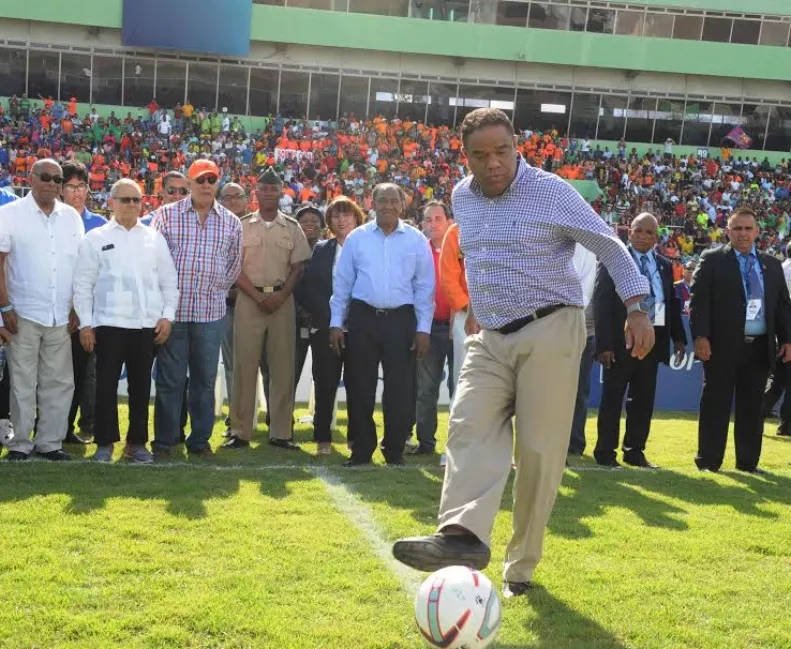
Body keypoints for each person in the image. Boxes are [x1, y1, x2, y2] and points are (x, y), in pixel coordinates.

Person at [391, 109, 653, 599]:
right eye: (480, 155)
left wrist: (637, 306)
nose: (492, 164)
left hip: (551, 328)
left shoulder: (551, 191)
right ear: (465, 156)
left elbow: (611, 247)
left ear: (518, 147)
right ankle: (463, 537)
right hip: (490, 336)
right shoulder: (461, 197)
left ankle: (521, 567)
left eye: (501, 152)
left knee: (537, 452)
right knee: (467, 426)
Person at [329, 183, 435, 467]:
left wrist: (423, 328)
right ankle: (362, 450)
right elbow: (342, 285)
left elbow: (425, 289)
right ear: (371, 203)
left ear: (403, 204)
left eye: (393, 200)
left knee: (400, 389)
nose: (388, 205)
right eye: (382, 200)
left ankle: (395, 450)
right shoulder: (357, 239)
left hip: (402, 320)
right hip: (363, 319)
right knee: (360, 385)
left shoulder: (416, 240)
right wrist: (336, 323)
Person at [72, 180, 178, 464]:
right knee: (105, 386)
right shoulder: (94, 238)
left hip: (146, 325)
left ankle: (136, 444)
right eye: (125, 199)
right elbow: (82, 283)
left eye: (136, 199)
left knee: (141, 388)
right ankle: (104, 444)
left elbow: (169, 280)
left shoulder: (154, 238)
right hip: (108, 324)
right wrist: (85, 323)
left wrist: (168, 315)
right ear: (111, 202)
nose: (132, 205)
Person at [151, 160, 242, 459]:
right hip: (172, 314)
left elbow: (233, 267)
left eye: (211, 179)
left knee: (204, 382)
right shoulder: (166, 215)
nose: (205, 185)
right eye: (199, 179)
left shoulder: (231, 222)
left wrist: (214, 290)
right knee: (170, 380)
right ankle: (165, 442)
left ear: (217, 183)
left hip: (210, 314)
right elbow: (153, 262)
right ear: (189, 183)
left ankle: (200, 441)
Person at [690, 207, 791, 474]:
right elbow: (698, 302)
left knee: (752, 408)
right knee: (716, 403)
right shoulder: (712, 259)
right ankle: (709, 461)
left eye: (748, 229)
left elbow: (782, 306)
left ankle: (747, 463)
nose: (743, 234)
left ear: (757, 232)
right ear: (728, 231)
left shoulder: (771, 265)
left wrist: (788, 339)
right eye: (737, 228)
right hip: (721, 346)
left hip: (759, 348)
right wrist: (701, 336)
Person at [0, 159, 85, 461]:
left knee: (60, 382)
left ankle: (50, 442)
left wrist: (78, 306)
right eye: (45, 177)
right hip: (20, 312)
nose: (52, 184)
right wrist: (4, 308)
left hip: (60, 314)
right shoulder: (9, 215)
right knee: (23, 381)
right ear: (31, 179)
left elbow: (80, 266)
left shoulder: (72, 218)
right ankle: (21, 443)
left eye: (57, 179)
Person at [224, 167, 311, 450]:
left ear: (280, 193)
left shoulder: (292, 227)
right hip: (249, 301)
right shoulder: (242, 225)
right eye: (264, 189)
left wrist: (281, 295)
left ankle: (282, 432)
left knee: (283, 367)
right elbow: (234, 268)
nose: (269, 193)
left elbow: (298, 268)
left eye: (274, 189)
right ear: (256, 193)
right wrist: (258, 297)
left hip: (283, 301)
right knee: (243, 366)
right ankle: (240, 431)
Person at [593, 213, 687, 469]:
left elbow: (672, 302)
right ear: (629, 232)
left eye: (650, 233)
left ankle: (635, 451)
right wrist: (604, 346)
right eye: (638, 231)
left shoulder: (665, 265)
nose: (643, 236)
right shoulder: (614, 261)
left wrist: (679, 338)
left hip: (653, 341)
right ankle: (605, 452)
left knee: (643, 400)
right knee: (612, 399)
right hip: (621, 341)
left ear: (657, 237)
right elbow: (600, 303)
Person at [297, 196, 365, 454]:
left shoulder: (366, 247)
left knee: (358, 384)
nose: (341, 219)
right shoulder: (322, 249)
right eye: (335, 215)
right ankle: (323, 437)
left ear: (357, 217)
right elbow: (310, 287)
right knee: (324, 383)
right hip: (326, 327)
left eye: (346, 214)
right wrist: (328, 315)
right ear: (329, 222)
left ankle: (355, 438)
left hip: (360, 329)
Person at [142, 170, 191, 440]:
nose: (177, 196)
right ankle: (139, 435)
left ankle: (173, 432)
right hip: (145, 312)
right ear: (161, 192)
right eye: (172, 190)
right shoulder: (143, 224)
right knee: (142, 377)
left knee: (175, 377)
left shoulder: (193, 222)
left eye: (183, 192)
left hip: (176, 313)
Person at [61, 161, 106, 445]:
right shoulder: (53, 219)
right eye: (70, 187)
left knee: (77, 374)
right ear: (60, 188)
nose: (77, 193)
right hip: (52, 311)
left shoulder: (100, 225)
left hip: (85, 316)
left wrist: (83, 311)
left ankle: (66, 428)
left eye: (81, 186)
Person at [411, 201, 453, 455]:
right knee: (426, 389)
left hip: (458, 327)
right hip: (428, 329)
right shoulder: (418, 252)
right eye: (429, 219)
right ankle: (425, 443)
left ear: (448, 221)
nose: (434, 223)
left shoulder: (462, 249)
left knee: (459, 389)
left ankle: (460, 444)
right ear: (422, 224)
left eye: (438, 218)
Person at [217, 182, 247, 434]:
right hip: (226, 305)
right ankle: (236, 416)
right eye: (228, 197)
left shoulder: (256, 226)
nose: (234, 201)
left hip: (257, 304)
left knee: (267, 365)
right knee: (232, 364)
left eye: (239, 196)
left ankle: (274, 418)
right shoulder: (215, 226)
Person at [567, 243, 597, 459]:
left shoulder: (586, 248)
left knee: (579, 391)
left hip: (582, 333)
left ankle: (575, 443)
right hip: (543, 331)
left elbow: (586, 295)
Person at [763, 240, 791, 436]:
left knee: (780, 380)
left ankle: (758, 412)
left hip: (778, 330)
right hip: (787, 328)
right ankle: (787, 425)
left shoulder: (780, 268)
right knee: (783, 381)